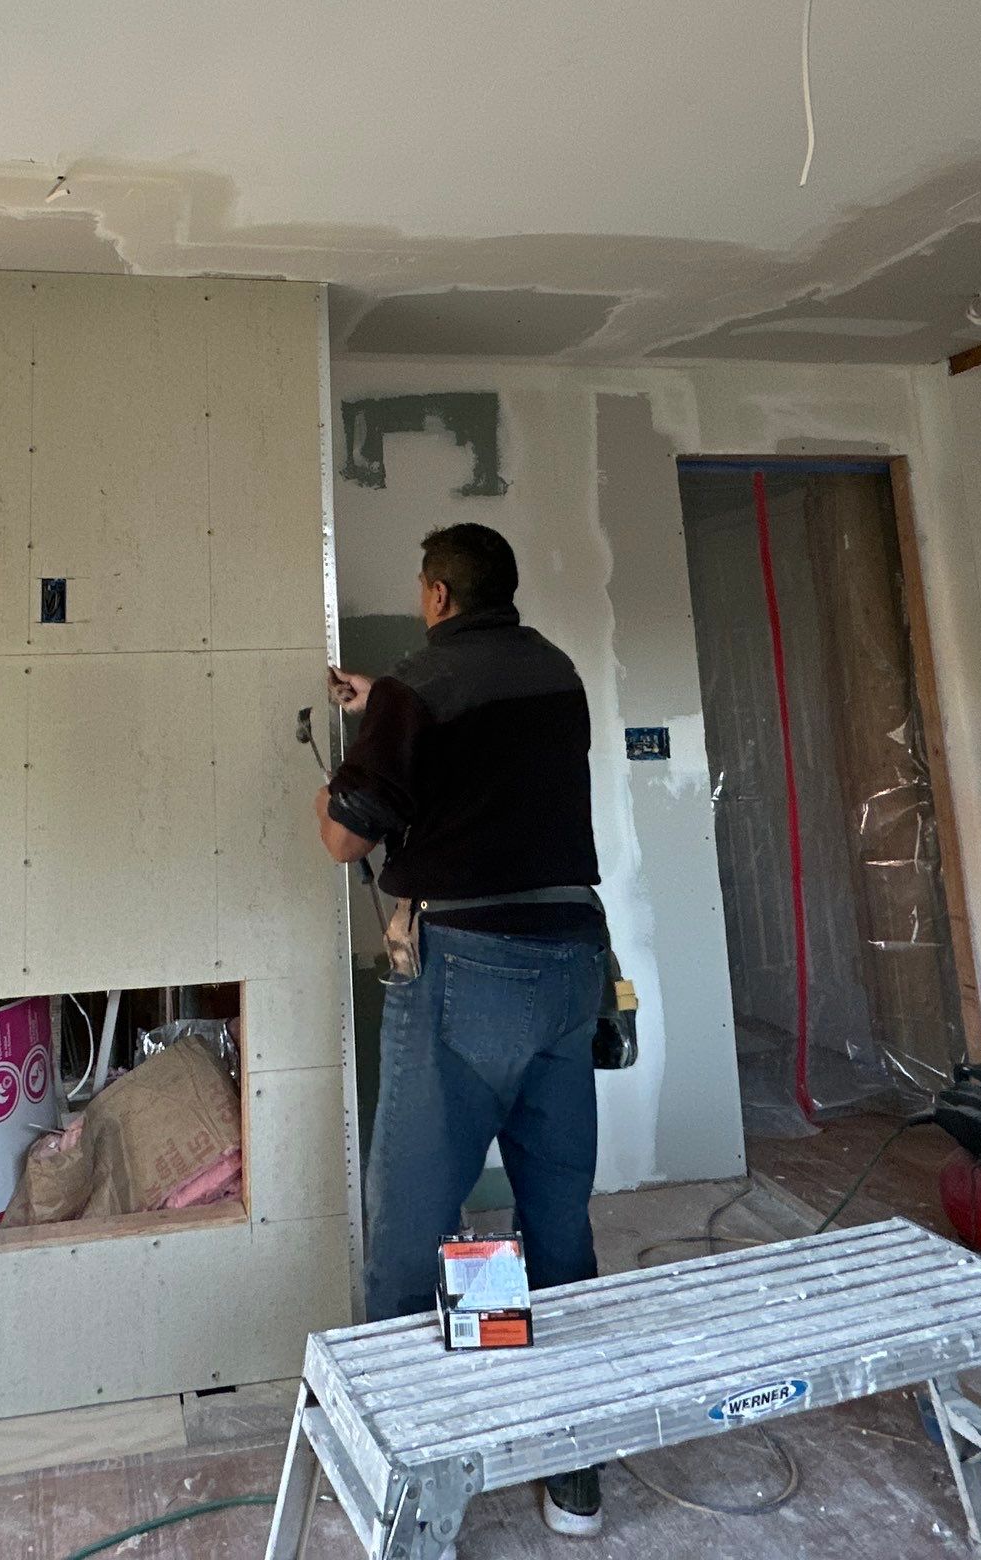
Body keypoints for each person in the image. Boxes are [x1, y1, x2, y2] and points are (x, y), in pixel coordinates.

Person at [317, 523, 610, 1539]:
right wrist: (385, 710)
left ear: (436, 594)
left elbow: (341, 835)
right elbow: (493, 762)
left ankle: (403, 1489)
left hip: (467, 972)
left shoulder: (416, 688)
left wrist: (359, 744)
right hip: (575, 965)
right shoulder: (556, 672)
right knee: (558, 1224)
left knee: (405, 1232)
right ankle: (575, 1477)